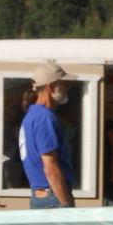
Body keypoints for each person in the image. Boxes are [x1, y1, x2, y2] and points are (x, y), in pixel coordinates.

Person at [19, 62, 77, 208]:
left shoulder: (31, 116)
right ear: (50, 87)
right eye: (64, 83)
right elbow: (50, 168)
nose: (67, 88)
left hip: (41, 195)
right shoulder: (44, 117)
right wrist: (65, 205)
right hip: (53, 197)